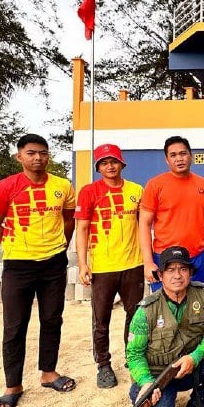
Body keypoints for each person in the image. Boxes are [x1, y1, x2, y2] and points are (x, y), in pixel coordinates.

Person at [0, 133, 76, 407]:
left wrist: (61, 244)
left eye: (43, 153)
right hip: (18, 265)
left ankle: (49, 373)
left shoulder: (62, 186)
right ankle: (13, 386)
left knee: (52, 319)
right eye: (31, 153)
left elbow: (69, 218)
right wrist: (14, 244)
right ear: (19, 156)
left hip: (53, 264)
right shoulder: (4, 187)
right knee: (14, 326)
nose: (38, 158)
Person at [126, 245, 204, 407]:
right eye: (170, 270)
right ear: (160, 276)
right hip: (158, 376)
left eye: (183, 269)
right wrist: (145, 382)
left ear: (190, 273)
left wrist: (195, 357)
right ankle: (142, 394)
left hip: (191, 368)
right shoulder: (146, 310)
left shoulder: (203, 295)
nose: (177, 275)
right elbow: (134, 354)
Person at [74, 143, 144, 389]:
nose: (110, 166)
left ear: (122, 163)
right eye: (104, 163)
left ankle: (133, 358)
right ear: (98, 167)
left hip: (134, 264)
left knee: (135, 317)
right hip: (103, 267)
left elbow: (144, 226)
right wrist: (83, 264)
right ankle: (103, 365)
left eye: (113, 161)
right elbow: (81, 229)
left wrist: (148, 260)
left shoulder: (137, 190)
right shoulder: (89, 191)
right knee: (101, 319)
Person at [139, 136, 204, 291]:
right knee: (166, 311)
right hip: (164, 258)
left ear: (190, 155)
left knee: (195, 308)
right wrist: (147, 261)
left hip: (196, 257)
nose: (179, 159)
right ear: (167, 160)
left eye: (183, 153)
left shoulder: (203, 184)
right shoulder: (155, 185)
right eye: (173, 155)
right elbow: (144, 224)